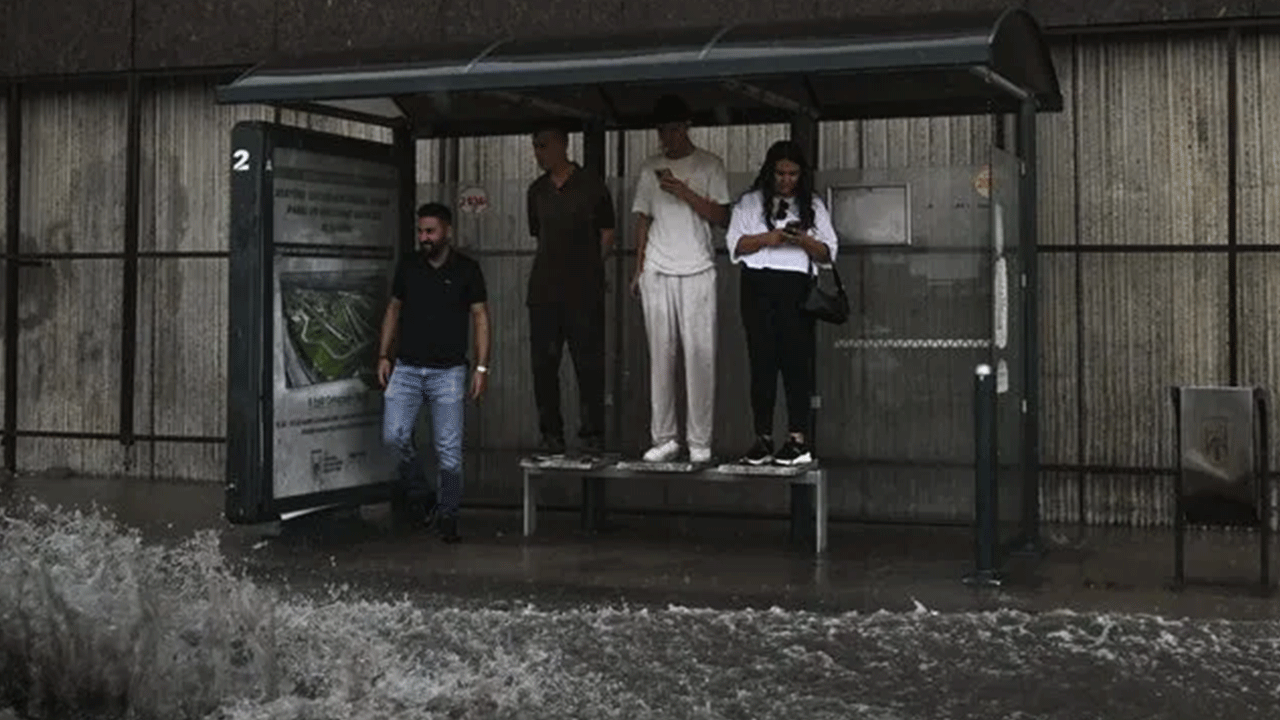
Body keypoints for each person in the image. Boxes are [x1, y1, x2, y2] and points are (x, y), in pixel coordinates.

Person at [377, 202, 490, 542]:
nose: (424, 238)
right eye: (421, 231)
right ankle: (422, 494)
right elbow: (393, 309)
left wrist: (482, 366)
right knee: (393, 436)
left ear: (447, 232)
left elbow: (481, 317)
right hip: (407, 367)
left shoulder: (467, 270)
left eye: (431, 231)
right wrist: (384, 355)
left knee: (450, 453)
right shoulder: (409, 266)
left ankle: (448, 515)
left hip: (449, 372)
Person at [629, 94, 731, 464]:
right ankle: (665, 436)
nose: (667, 137)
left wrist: (685, 192)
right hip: (658, 266)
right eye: (662, 130)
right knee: (661, 355)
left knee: (701, 355)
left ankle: (700, 440)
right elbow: (643, 218)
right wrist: (638, 268)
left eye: (673, 129)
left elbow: (721, 216)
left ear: (686, 127)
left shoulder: (709, 164)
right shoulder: (649, 167)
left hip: (698, 266)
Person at [724, 140, 838, 466]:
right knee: (761, 362)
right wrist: (769, 239)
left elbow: (829, 253)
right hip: (758, 284)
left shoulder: (812, 205)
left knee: (795, 362)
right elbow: (736, 245)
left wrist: (802, 239)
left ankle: (797, 438)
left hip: (796, 285)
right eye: (780, 173)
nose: (786, 180)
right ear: (769, 172)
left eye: (793, 174)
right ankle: (762, 436)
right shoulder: (749, 202)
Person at [526, 123, 616, 459]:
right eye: (536, 146)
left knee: (588, 364)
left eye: (545, 145)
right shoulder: (536, 191)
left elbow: (607, 232)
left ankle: (591, 435)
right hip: (545, 290)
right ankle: (551, 436)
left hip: (583, 290)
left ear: (563, 144)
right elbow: (538, 233)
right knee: (544, 366)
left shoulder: (591, 186)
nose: (539, 153)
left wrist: (591, 267)